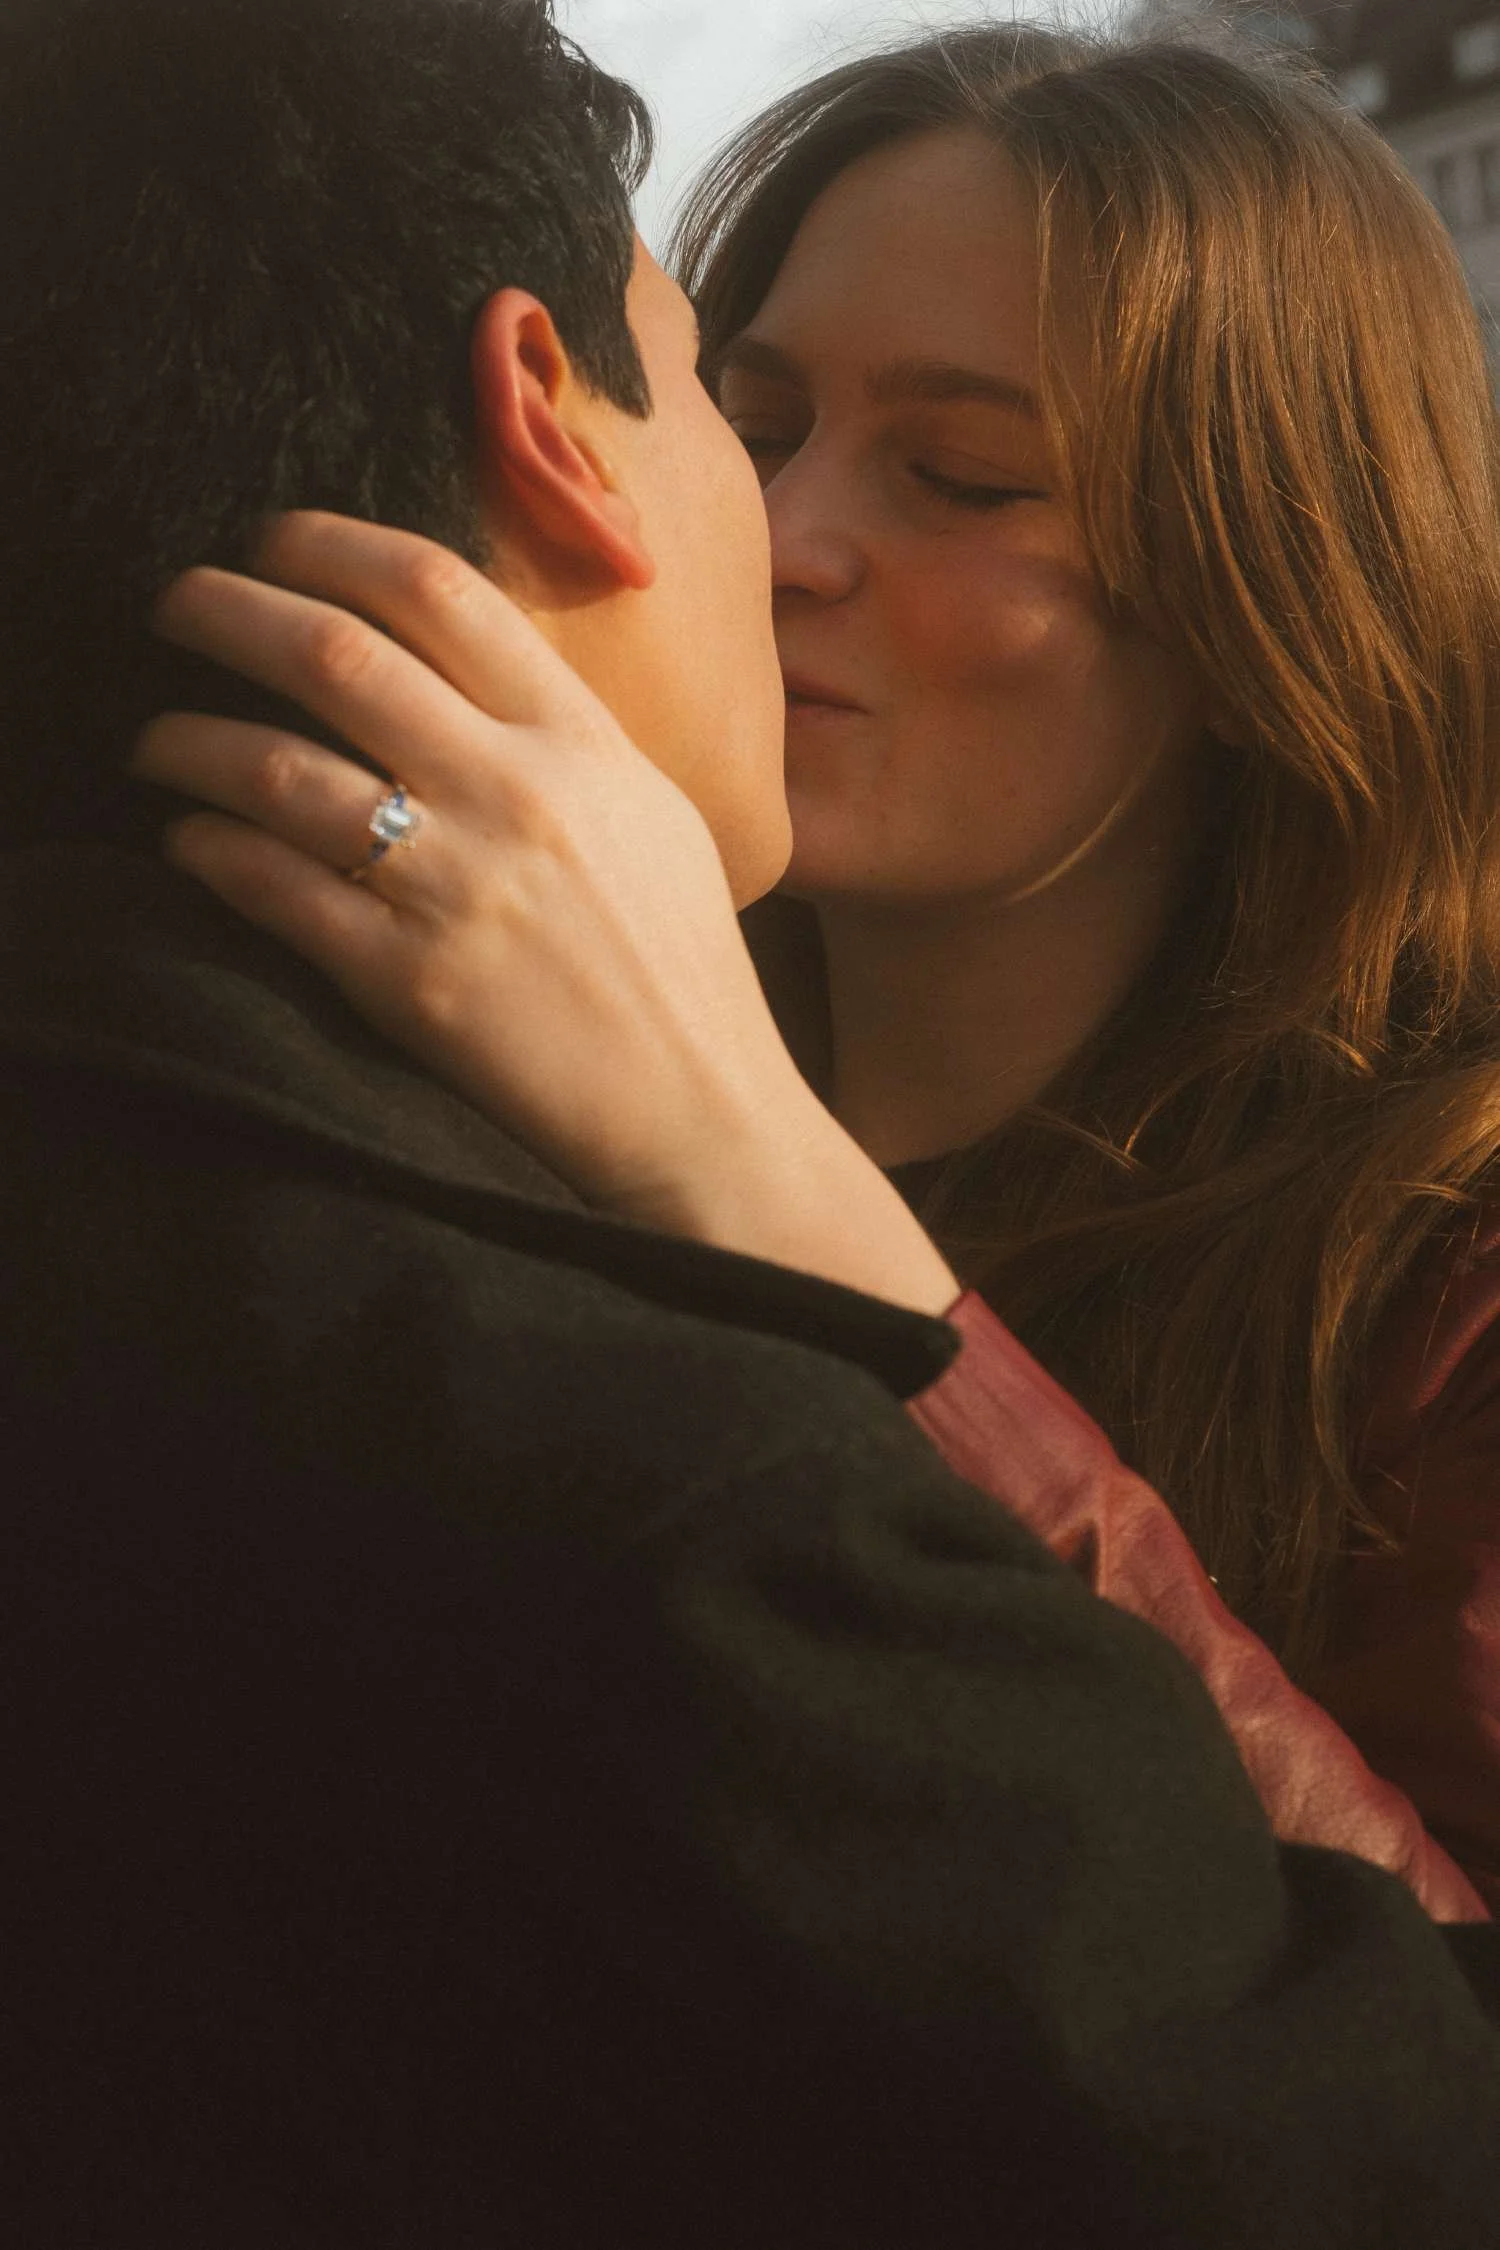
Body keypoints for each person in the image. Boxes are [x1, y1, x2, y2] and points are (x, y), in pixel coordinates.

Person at [3, 4, 1499, 2246]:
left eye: (964, 476)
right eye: (756, 411)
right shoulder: (390, 1164)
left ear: (1273, 584)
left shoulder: (1446, 1290)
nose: (786, 534)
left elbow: (1381, 2101)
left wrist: (794, 1217)